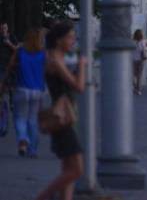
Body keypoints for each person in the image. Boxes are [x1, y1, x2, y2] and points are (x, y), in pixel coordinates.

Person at [35, 21, 87, 200]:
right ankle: (43, 197)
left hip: (65, 116)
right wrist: (82, 65)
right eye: (70, 37)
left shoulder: (54, 60)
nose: (73, 40)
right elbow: (78, 87)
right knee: (77, 170)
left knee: (68, 169)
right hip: (63, 117)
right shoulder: (55, 62)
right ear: (59, 40)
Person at [0, 27, 46, 157]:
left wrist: (3, 85)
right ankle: (33, 150)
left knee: (19, 118)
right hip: (38, 91)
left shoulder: (20, 51)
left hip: (22, 89)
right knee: (33, 120)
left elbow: (9, 68)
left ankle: (23, 139)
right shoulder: (44, 53)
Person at [0, 22, 18, 104]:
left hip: (10, 65)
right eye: (1, 28)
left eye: (4, 28)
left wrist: (9, 43)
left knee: (11, 88)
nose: (3, 30)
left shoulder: (11, 37)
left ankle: (11, 100)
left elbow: (17, 49)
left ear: (7, 29)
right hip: (1, 65)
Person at [132, 29, 147, 95]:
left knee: (134, 74)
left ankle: (134, 83)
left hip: (133, 60)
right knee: (139, 75)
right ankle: (138, 90)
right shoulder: (143, 42)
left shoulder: (132, 42)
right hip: (141, 60)